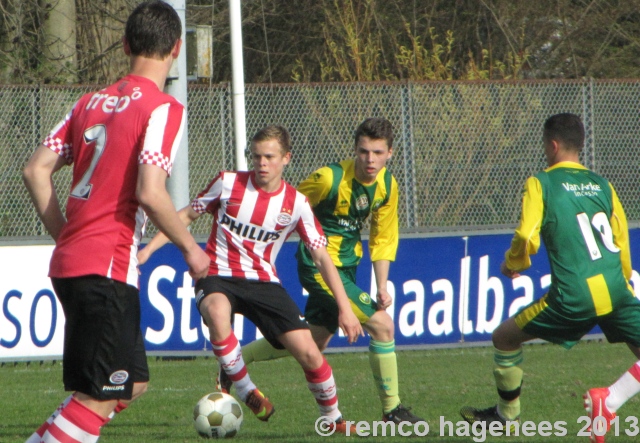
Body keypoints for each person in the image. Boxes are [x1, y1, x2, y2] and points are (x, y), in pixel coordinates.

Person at [21, 2, 210, 442]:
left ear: (125, 45)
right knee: (100, 396)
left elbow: (36, 170)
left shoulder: (87, 102)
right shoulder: (163, 107)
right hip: (106, 264)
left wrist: (66, 234)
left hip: (73, 262)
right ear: (177, 49)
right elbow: (150, 191)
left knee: (132, 382)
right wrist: (192, 250)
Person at [137, 125, 364, 432]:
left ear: (286, 158)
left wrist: (345, 309)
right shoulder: (227, 183)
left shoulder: (296, 203)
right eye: (256, 156)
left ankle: (333, 420)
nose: (261, 163)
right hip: (217, 274)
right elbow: (186, 216)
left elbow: (322, 257)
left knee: (310, 352)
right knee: (217, 312)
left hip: (263, 282)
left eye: (269, 157)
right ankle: (246, 390)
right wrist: (147, 251)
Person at [218, 117, 424, 424]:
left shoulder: (388, 186)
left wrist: (382, 285)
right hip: (319, 266)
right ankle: (392, 411)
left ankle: (236, 362)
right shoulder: (330, 178)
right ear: (355, 149)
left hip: (348, 267)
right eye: (364, 151)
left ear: (390, 153)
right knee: (382, 326)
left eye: (378, 153)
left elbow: (383, 237)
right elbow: (288, 203)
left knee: (312, 341)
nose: (370, 159)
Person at [459, 113, 640, 443]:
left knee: (504, 337)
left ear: (552, 145)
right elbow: (621, 241)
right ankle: (610, 400)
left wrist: (514, 262)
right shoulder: (603, 185)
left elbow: (527, 234)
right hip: (616, 290)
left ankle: (506, 417)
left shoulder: (541, 183)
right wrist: (624, 282)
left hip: (572, 296)